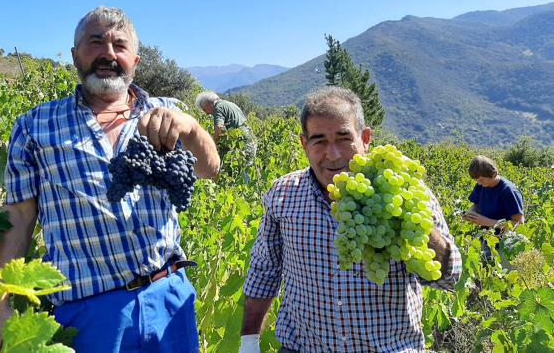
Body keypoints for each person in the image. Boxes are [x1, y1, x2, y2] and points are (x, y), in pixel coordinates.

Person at [0, 7, 220, 353]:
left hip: (169, 297)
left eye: (119, 45)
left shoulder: (166, 111)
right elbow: (17, 220)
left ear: (135, 60)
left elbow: (209, 167)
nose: (108, 53)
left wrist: (192, 127)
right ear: (75, 55)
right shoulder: (36, 126)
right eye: (96, 42)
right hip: (88, 313)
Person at [238, 86, 462, 352]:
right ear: (304, 144)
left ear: (365, 138)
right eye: (319, 140)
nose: (332, 155)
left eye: (344, 139)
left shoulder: (405, 193)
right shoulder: (283, 193)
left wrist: (409, 221)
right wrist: (249, 341)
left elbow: (449, 277)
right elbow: (265, 271)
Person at [463, 155, 524, 260]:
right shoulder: (481, 186)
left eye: (481, 179)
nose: (479, 183)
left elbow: (519, 223)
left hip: (507, 244)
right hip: (486, 238)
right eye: (476, 180)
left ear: (494, 174)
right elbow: (476, 205)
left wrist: (489, 222)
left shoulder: (508, 191)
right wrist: (470, 213)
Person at [195, 91, 257, 165]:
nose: (207, 113)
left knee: (243, 169)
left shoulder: (218, 108)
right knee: (248, 167)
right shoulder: (231, 104)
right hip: (250, 139)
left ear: (209, 103)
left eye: (205, 109)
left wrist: (213, 144)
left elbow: (219, 127)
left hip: (243, 142)